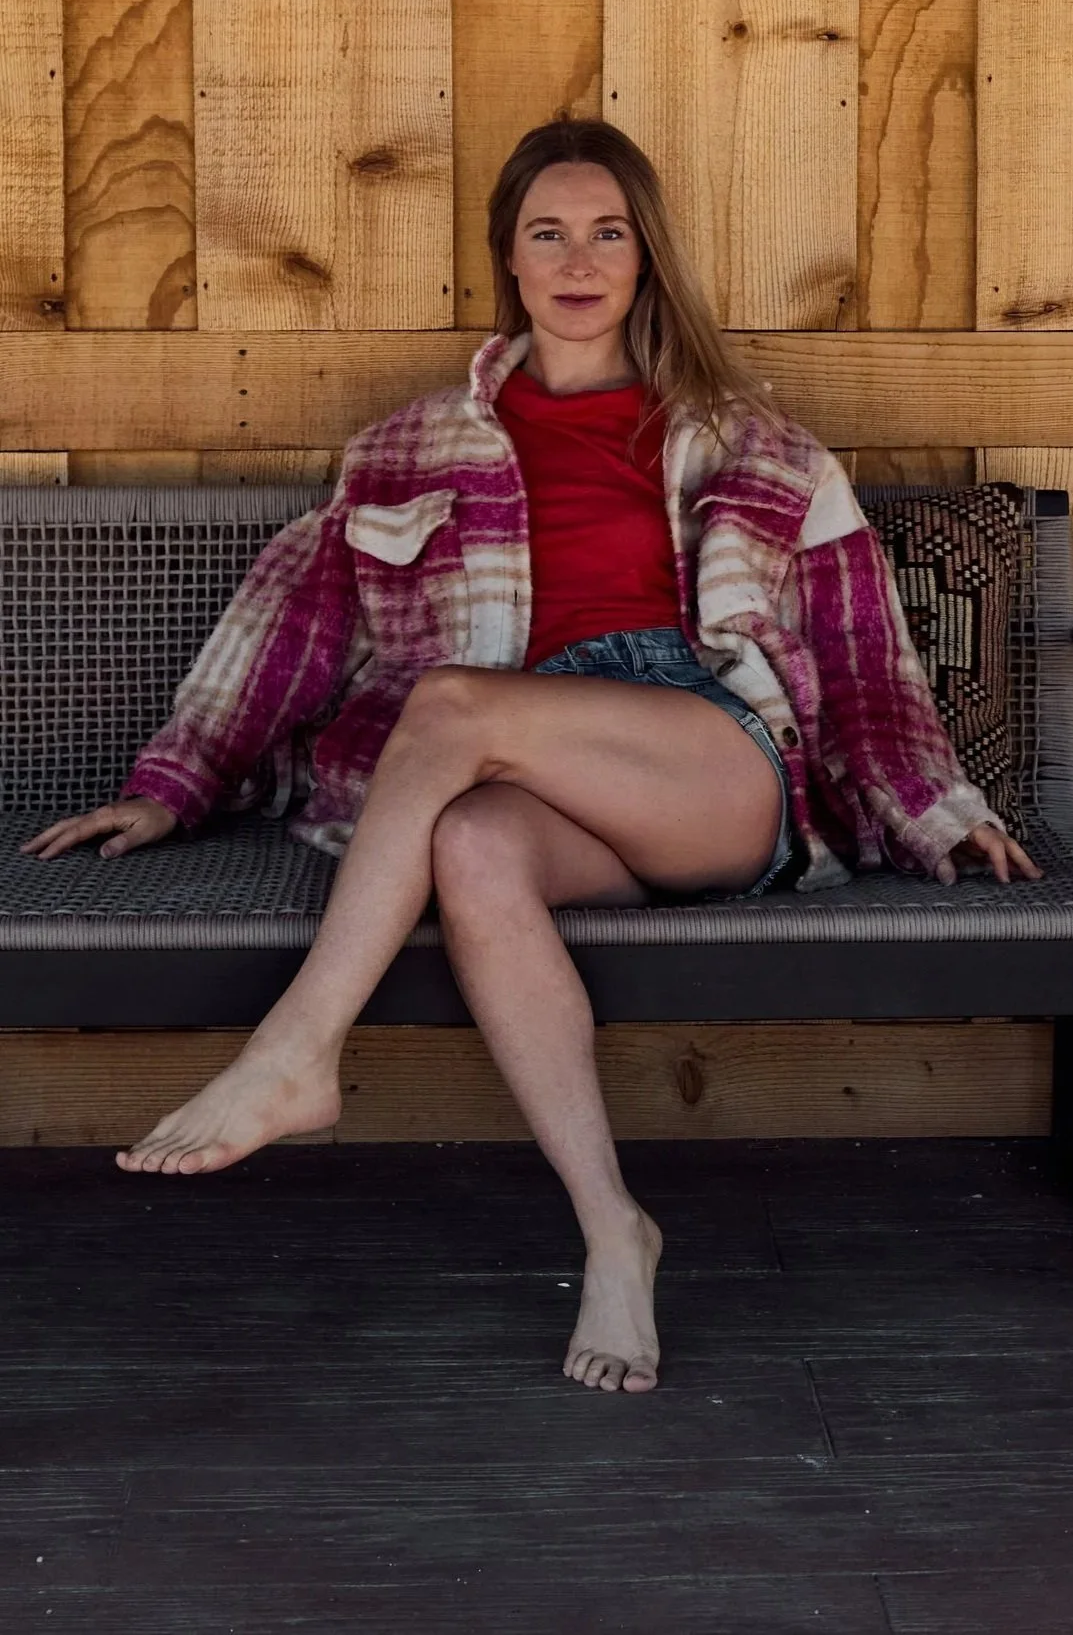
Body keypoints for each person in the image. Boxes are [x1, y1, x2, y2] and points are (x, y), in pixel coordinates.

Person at [20, 116, 1042, 1395]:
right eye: (545, 233)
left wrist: (936, 811)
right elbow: (288, 626)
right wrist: (169, 788)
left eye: (606, 232)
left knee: (451, 706)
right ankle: (614, 1228)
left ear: (643, 255)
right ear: (507, 259)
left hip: (707, 761)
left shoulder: (751, 443)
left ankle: (295, 1052)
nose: (577, 258)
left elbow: (856, 651)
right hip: (523, 771)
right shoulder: (402, 451)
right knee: (468, 841)